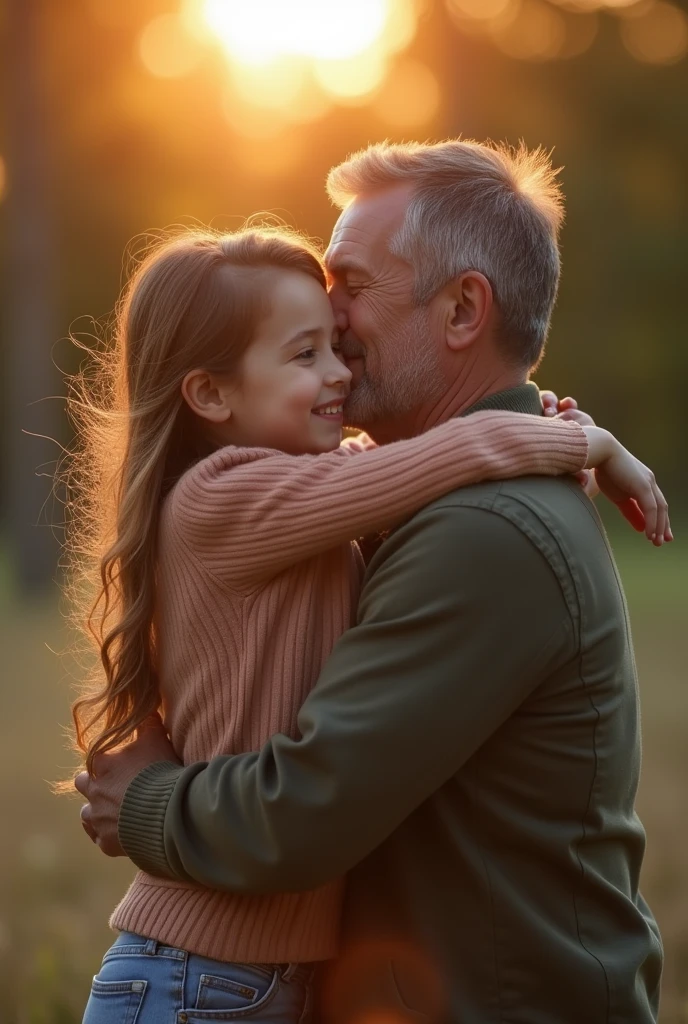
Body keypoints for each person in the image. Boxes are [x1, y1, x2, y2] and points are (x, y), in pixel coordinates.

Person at [77, 141, 668, 1024]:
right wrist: (573, 435)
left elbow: (303, 813)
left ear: (464, 308)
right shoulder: (406, 498)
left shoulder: (485, 534)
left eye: (350, 284)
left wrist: (150, 804)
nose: (332, 313)